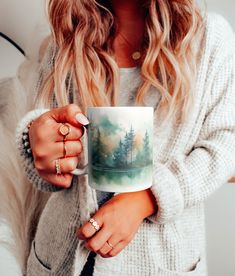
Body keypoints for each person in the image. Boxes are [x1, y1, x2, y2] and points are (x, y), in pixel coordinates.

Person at [14, 0, 235, 275]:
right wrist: (35, 142)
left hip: (162, 263)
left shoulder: (208, 38)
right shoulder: (65, 42)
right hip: (62, 258)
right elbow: (43, 133)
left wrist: (149, 197)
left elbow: (227, 141)